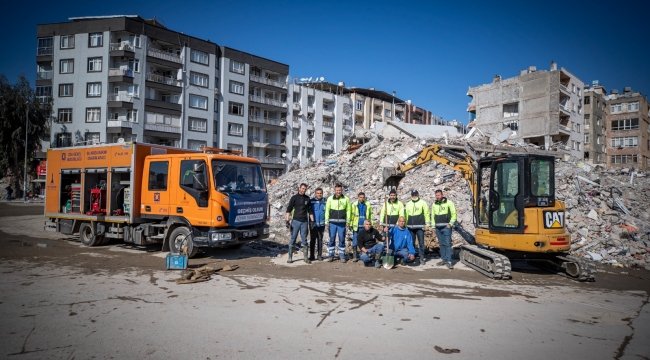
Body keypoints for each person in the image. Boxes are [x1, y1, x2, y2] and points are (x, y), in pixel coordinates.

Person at [285, 183, 315, 264]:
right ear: (299, 188)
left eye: (305, 189)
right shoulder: (294, 198)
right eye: (302, 188)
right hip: (295, 221)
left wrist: (312, 221)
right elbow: (289, 209)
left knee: (304, 239)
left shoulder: (307, 199)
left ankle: (305, 258)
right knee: (293, 238)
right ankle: (290, 258)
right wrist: (287, 220)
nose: (303, 190)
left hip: (304, 222)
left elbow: (310, 211)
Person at [431, 189, 457, 269]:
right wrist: (433, 226)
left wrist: (451, 224)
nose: (437, 196)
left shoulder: (449, 203)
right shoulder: (434, 204)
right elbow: (432, 216)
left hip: (446, 227)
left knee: (447, 244)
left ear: (442, 195)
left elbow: (454, 214)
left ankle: (449, 261)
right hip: (438, 228)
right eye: (436, 195)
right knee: (441, 244)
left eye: (439, 195)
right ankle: (443, 259)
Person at [325, 184, 351, 262]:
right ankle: (331, 255)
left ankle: (342, 255)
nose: (338, 192)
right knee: (332, 238)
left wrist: (348, 221)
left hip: (342, 223)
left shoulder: (346, 199)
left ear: (342, 190)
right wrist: (326, 221)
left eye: (340, 190)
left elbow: (348, 210)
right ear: (334, 190)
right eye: (337, 190)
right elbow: (327, 210)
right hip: (332, 222)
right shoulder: (330, 199)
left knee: (342, 238)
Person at [404, 190, 430, 266]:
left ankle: (421, 258)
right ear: (411, 195)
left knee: (421, 243)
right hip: (410, 227)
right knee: (411, 243)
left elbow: (427, 213)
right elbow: (406, 215)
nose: (414, 196)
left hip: (420, 227)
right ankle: (412, 257)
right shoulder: (408, 204)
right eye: (413, 195)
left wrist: (427, 224)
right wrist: (405, 225)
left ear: (418, 195)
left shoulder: (423, 203)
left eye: (416, 195)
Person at [350, 192, 373, 262]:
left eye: (363, 197)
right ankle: (354, 255)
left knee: (365, 241)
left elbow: (371, 215)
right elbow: (352, 215)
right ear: (358, 197)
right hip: (356, 226)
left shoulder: (367, 204)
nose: (362, 199)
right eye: (360, 197)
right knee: (355, 240)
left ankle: (363, 254)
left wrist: (371, 224)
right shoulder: (354, 205)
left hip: (365, 227)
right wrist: (351, 224)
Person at [309, 188, 327, 261]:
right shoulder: (311, 201)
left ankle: (319, 255)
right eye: (317, 193)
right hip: (313, 224)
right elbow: (309, 212)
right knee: (312, 239)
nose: (319, 194)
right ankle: (312, 255)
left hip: (321, 225)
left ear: (322, 194)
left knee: (320, 239)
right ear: (315, 194)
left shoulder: (325, 201)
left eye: (320, 193)